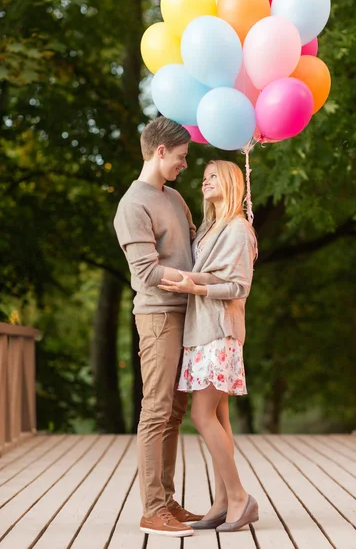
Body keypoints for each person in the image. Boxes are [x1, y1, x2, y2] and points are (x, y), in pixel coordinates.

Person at [113, 117, 221, 538]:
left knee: (175, 412)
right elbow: (145, 271)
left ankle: (167, 501)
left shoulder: (175, 198)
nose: (185, 164)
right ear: (160, 152)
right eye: (181, 157)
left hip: (188, 313)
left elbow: (195, 249)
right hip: (158, 316)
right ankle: (151, 509)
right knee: (156, 410)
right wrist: (194, 284)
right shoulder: (132, 204)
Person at [158, 159, 259, 533]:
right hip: (200, 333)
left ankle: (239, 498)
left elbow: (238, 286)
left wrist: (193, 286)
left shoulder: (237, 229)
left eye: (213, 176)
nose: (205, 182)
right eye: (203, 178)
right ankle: (221, 501)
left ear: (233, 182)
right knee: (219, 417)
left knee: (201, 415)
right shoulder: (208, 229)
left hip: (220, 332)